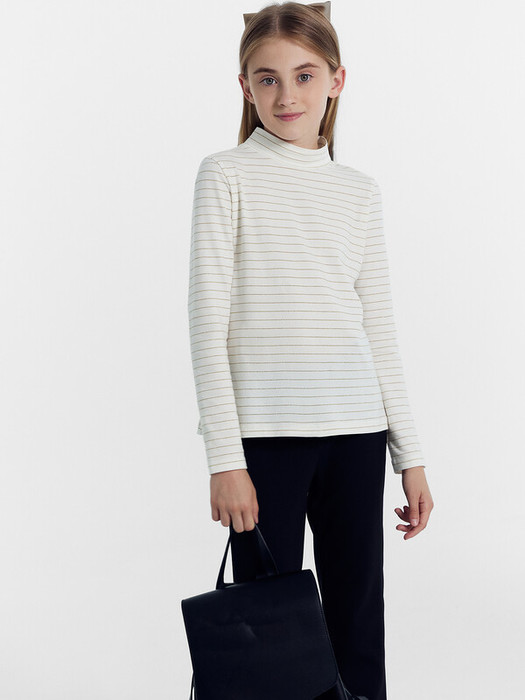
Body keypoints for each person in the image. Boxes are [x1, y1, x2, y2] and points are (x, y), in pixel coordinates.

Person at [187, 2, 434, 698]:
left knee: (357, 619)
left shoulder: (358, 192)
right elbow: (206, 325)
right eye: (267, 79)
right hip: (265, 442)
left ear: (336, 80)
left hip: (356, 434)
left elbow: (378, 327)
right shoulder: (225, 175)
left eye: (303, 75)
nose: (286, 94)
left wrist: (409, 456)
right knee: (267, 631)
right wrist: (225, 460)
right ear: (245, 87)